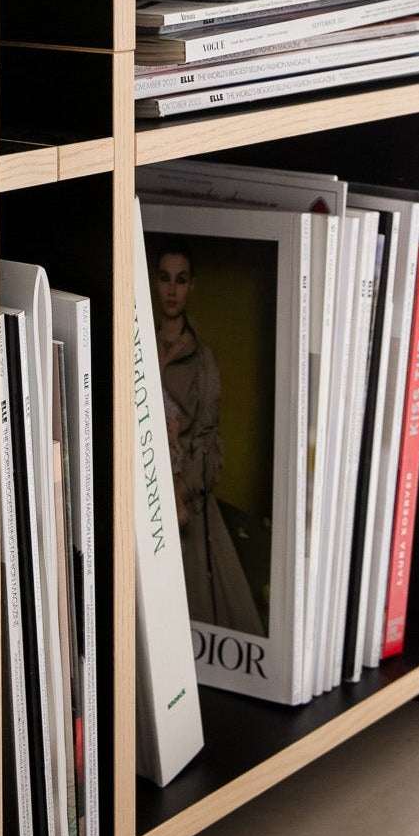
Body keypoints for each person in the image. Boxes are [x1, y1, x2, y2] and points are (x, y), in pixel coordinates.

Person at [152, 241, 264, 635]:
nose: (171, 290)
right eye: (164, 278)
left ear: (191, 287)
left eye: (180, 280)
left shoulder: (203, 360)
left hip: (186, 500)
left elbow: (210, 440)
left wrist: (181, 489)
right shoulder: (139, 344)